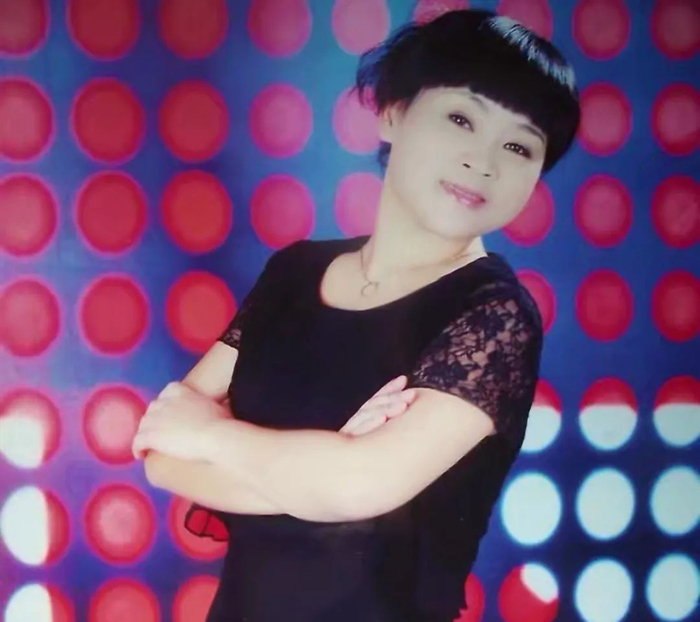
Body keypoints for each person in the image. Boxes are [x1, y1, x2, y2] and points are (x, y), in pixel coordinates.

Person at [132, 8, 580, 621]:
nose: (483, 162)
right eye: (460, 118)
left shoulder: (495, 317)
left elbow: (358, 485)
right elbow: (162, 450)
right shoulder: (294, 273)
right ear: (393, 112)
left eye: (518, 146)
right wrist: (327, 465)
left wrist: (213, 436)